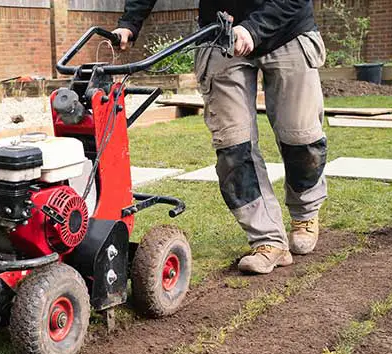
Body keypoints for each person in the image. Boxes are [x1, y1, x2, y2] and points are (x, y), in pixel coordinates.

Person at [113, 0, 328, 274]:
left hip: (288, 30)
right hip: (220, 34)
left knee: (300, 137)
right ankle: (268, 241)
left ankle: (305, 213)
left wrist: (252, 28)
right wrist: (130, 23)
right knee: (233, 147)